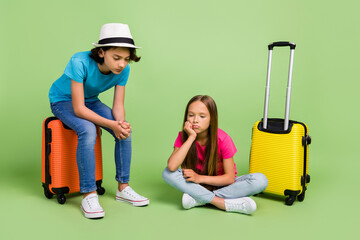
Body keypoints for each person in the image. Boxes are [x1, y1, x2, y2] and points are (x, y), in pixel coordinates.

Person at [49, 23, 149, 219]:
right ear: (101, 52)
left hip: (91, 101)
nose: (121, 64)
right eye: (116, 58)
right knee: (88, 129)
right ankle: (89, 194)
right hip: (63, 100)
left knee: (124, 131)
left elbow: (118, 105)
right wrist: (110, 124)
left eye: (126, 59)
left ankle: (123, 187)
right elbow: (78, 109)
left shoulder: (123, 70)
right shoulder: (79, 62)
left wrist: (119, 124)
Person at [162, 95, 268, 215]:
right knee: (167, 173)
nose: (195, 120)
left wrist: (199, 178)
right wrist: (191, 137)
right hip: (197, 185)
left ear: (211, 119)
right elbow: (172, 166)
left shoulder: (223, 139)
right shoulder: (183, 137)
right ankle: (220, 202)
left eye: (202, 116)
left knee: (261, 180)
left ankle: (199, 199)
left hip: (222, 186)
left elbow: (229, 178)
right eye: (191, 115)